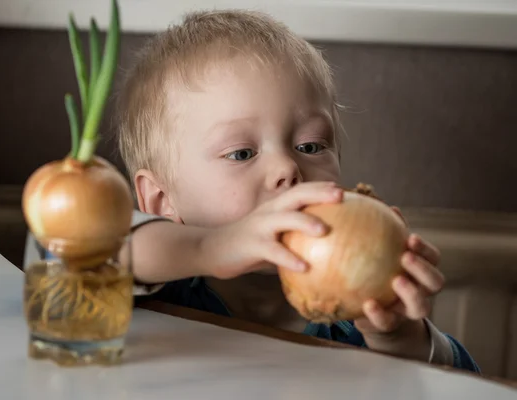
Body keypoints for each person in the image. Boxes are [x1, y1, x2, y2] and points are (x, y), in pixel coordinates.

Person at [45, 9, 479, 372]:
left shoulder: (351, 318)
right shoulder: (166, 290)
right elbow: (90, 251)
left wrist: (400, 337)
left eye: (310, 146)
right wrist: (211, 247)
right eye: (241, 153)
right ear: (161, 200)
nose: (288, 168)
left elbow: (459, 382)